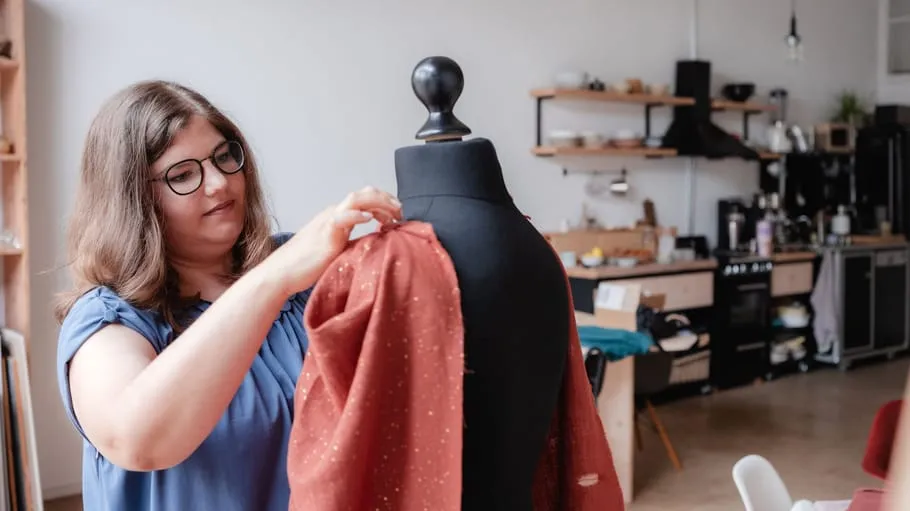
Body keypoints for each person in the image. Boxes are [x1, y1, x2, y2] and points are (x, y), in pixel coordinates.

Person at [53, 80, 403, 510]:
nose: (219, 183)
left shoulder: (305, 280)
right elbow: (137, 439)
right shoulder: (110, 322)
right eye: (183, 174)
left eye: (224, 157)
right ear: (133, 201)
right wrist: (273, 278)